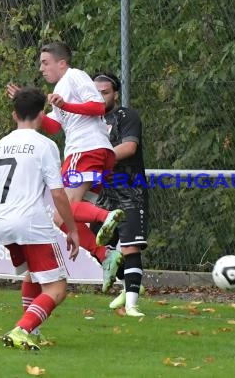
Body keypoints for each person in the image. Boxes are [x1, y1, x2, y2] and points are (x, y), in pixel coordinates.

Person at [0, 87, 80, 351]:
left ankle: (32, 330)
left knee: (32, 276)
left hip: (4, 224)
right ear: (42, 114)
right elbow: (58, 194)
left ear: (14, 115)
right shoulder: (45, 146)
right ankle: (23, 328)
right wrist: (72, 229)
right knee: (57, 288)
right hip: (32, 223)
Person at [6, 41, 123, 275]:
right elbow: (53, 127)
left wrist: (66, 104)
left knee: (65, 207)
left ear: (62, 63)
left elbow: (99, 106)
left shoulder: (74, 76)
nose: (41, 68)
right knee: (61, 216)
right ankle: (105, 256)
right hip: (92, 151)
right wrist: (25, 102)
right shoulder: (61, 87)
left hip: (86, 149)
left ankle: (107, 217)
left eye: (45, 63)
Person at [91, 72, 148, 317]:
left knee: (130, 246)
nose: (100, 97)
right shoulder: (88, 119)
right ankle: (129, 283)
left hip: (130, 188)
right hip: (105, 190)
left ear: (115, 94)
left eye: (105, 92)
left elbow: (129, 146)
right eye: (96, 92)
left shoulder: (127, 116)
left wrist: (100, 158)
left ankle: (133, 305)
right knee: (100, 241)